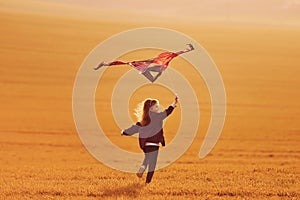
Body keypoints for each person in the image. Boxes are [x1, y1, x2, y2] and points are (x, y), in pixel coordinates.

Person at [121, 95, 178, 184]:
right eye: (156, 107)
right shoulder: (158, 116)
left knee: (147, 156)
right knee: (152, 164)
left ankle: (143, 167)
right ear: (151, 109)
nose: (158, 108)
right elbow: (167, 112)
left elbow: (134, 129)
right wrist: (174, 104)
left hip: (146, 145)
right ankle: (147, 182)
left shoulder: (144, 120)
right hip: (154, 145)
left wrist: (124, 132)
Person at [94, 44, 194, 83]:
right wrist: (187, 49)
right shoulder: (159, 63)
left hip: (150, 68)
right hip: (153, 66)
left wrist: (159, 74)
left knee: (130, 64)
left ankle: (105, 64)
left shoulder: (154, 68)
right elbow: (176, 54)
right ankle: (105, 63)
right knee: (128, 63)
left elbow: (153, 80)